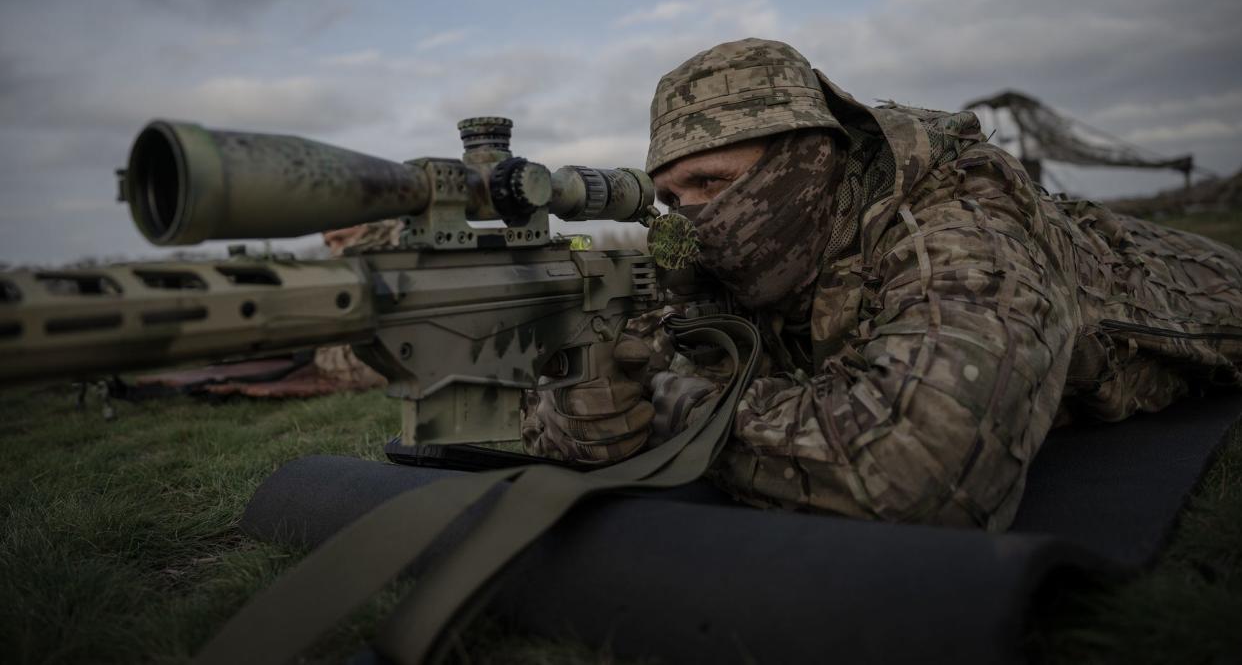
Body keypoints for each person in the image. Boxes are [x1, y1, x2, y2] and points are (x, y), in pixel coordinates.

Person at [522, 38, 1242, 530]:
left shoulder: (960, 221)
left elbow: (918, 475)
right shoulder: (718, 250)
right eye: (675, 198)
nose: (694, 218)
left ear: (809, 162)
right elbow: (612, 369)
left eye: (714, 182)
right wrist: (582, 410)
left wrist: (674, 409)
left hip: (1189, 289)